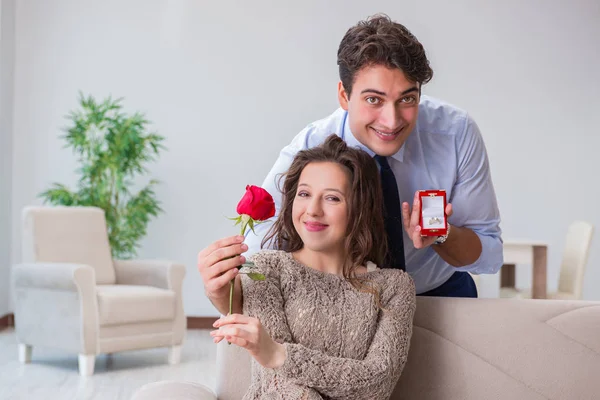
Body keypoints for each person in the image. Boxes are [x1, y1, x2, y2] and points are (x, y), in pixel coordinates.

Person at [198, 13, 503, 317]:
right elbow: (256, 254)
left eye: (407, 99)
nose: (392, 120)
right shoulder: (311, 147)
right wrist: (223, 285)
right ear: (344, 95)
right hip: (346, 304)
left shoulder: (455, 132)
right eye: (374, 100)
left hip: (438, 294)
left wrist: (442, 234)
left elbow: (489, 255)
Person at [210, 135, 416, 399]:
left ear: (360, 208)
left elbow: (378, 382)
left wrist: (278, 354)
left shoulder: (395, 286)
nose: (313, 210)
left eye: (332, 198)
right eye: (304, 194)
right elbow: (275, 384)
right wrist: (274, 358)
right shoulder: (263, 269)